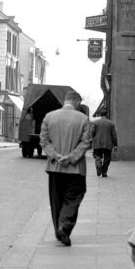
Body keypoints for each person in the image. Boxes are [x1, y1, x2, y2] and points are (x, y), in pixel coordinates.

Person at [39, 90, 92, 247]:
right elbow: (86, 142)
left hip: (55, 167)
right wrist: (70, 157)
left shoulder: (49, 117)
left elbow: (44, 141)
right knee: (74, 197)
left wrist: (55, 156)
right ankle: (64, 226)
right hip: (75, 169)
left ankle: (59, 230)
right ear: (77, 102)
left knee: (57, 200)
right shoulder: (83, 119)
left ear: (65, 100)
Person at [91, 109, 117, 177]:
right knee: (107, 158)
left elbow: (92, 133)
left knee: (97, 156)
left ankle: (99, 164)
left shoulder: (95, 122)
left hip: (97, 143)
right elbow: (114, 135)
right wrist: (115, 145)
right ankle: (104, 172)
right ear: (107, 114)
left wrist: (91, 140)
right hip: (108, 144)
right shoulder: (111, 124)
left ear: (100, 114)